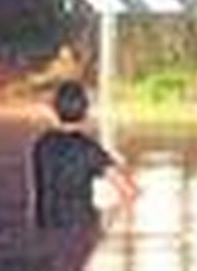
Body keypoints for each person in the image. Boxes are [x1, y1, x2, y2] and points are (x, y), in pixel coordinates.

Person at [30, 80, 137, 229]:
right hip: (80, 229)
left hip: (44, 226)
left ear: (55, 110)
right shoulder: (89, 149)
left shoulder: (41, 145)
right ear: (85, 112)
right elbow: (127, 190)